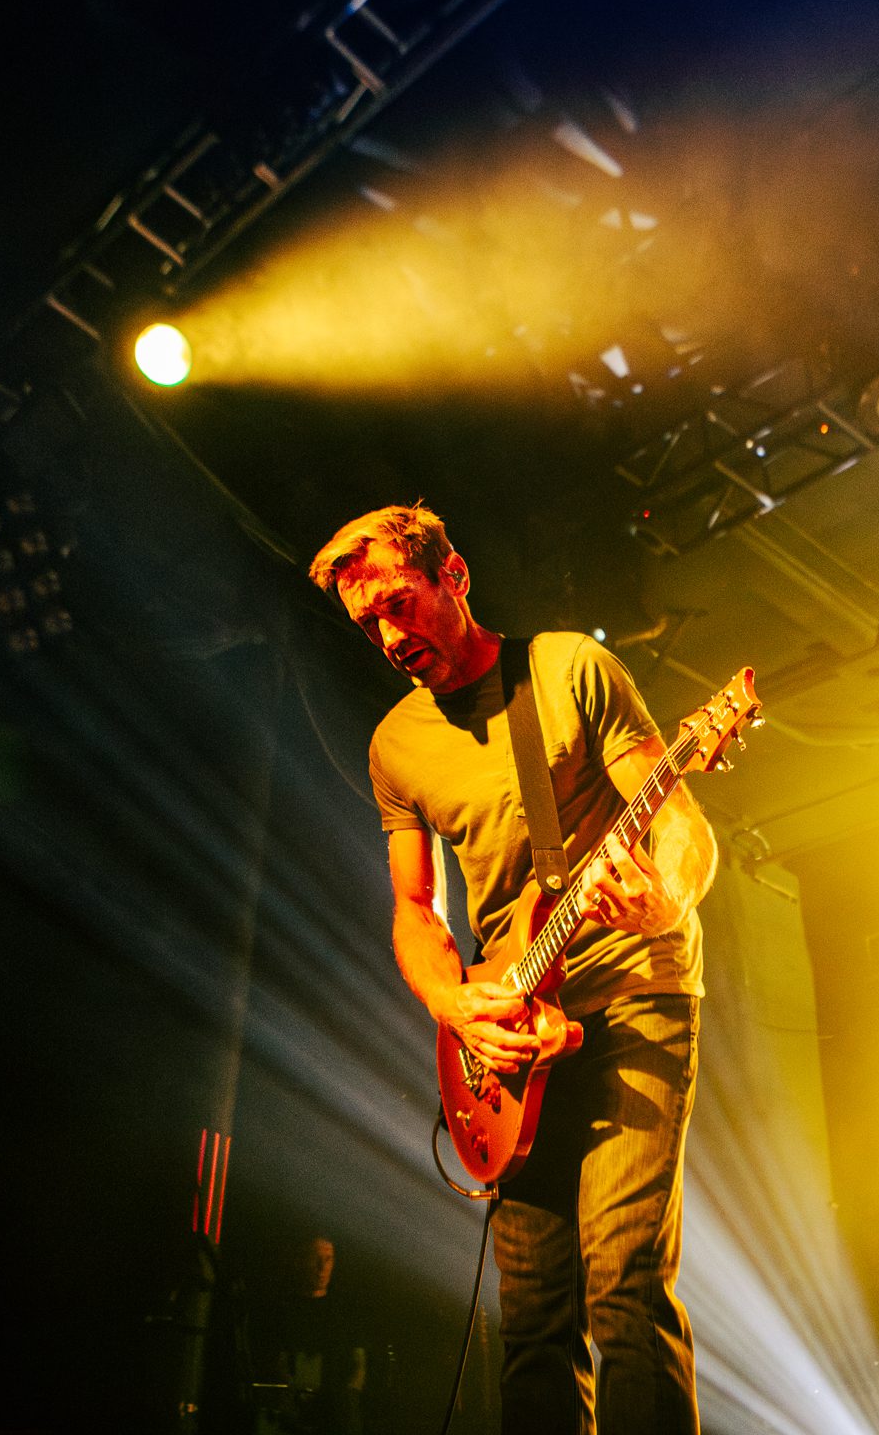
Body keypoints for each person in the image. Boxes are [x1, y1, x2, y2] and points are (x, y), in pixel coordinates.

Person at [309, 502, 715, 1435]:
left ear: (453, 577)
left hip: (633, 989)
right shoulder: (395, 746)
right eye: (367, 622)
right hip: (512, 1031)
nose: (388, 635)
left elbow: (678, 823)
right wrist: (455, 1003)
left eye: (399, 603)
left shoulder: (570, 667)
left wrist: (667, 899)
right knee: (532, 1321)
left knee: (623, 1280)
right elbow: (417, 910)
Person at [255, 1234, 365, 1435]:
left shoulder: (344, 1313)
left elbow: (359, 1362)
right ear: (301, 1261)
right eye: (316, 1259)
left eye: (328, 1259)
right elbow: (275, 1361)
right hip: (292, 1417)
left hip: (336, 1420)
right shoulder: (281, 1311)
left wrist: (348, 1398)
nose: (322, 1267)